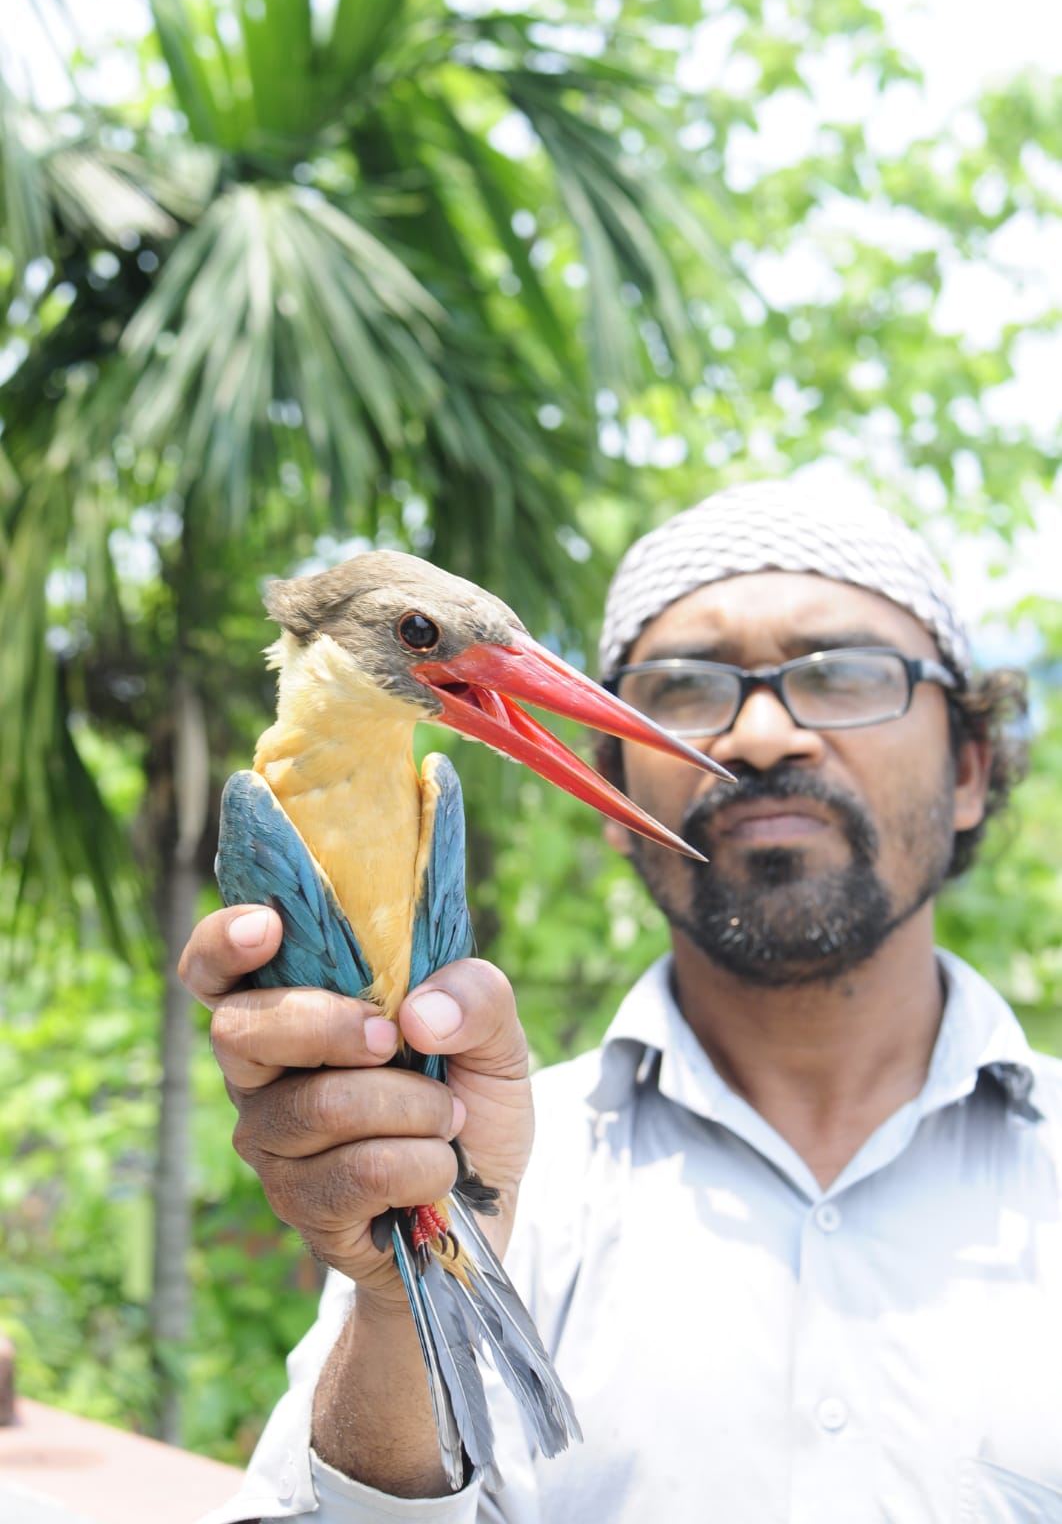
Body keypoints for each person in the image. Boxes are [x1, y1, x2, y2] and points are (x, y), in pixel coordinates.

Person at [181, 479, 1062, 1524]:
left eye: (844, 674)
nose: (766, 732)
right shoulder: (475, 1164)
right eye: (686, 686)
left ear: (971, 769)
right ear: (610, 784)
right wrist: (395, 1300)